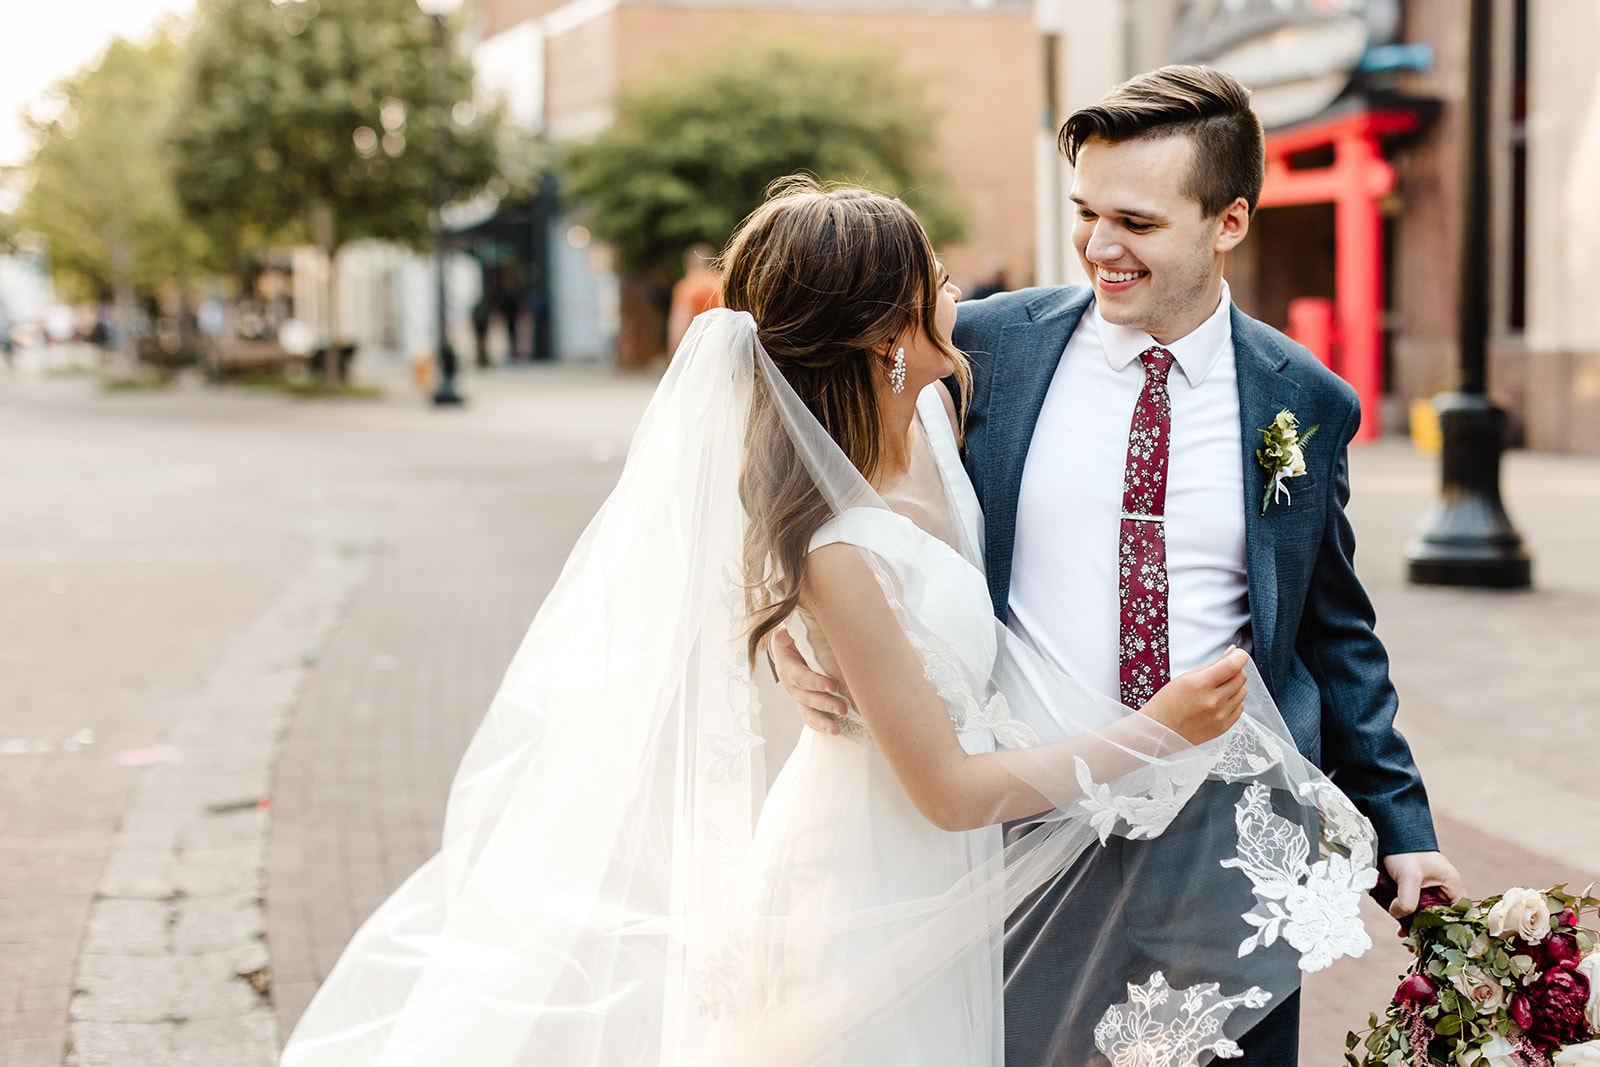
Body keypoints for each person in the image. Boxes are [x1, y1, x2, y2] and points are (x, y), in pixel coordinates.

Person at [281, 179, 1380, 1066]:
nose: (958, 287)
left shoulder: (938, 416)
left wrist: (771, 640)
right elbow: (943, 786)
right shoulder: (836, 540)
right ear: (884, 330)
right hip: (876, 867)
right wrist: (1159, 727)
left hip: (969, 869)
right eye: (931, 278)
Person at [774, 66, 1464, 1067]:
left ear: (1226, 221)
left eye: (1136, 222)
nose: (1101, 245)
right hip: (1026, 837)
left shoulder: (1301, 398)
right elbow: (815, 470)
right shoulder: (980, 348)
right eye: (1087, 211)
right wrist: (792, 631)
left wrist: (1402, 823)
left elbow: (1334, 630)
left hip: (1229, 848)